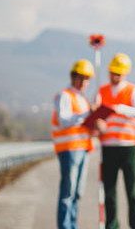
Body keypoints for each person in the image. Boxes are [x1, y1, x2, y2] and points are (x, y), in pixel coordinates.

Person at [95, 53, 135, 229]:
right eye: (112, 72)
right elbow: (96, 116)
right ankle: (112, 226)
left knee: (132, 191)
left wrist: (121, 108)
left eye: (118, 73)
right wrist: (97, 123)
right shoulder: (102, 91)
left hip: (128, 147)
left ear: (125, 73)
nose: (114, 76)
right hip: (108, 147)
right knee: (109, 192)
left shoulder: (133, 91)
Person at [51, 59, 95, 229]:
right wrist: (86, 114)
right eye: (81, 78)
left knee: (77, 193)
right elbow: (64, 121)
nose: (84, 82)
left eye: (87, 79)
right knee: (67, 193)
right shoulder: (64, 95)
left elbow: (83, 124)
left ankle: (72, 225)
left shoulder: (83, 99)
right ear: (73, 77)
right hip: (69, 150)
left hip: (83, 149)